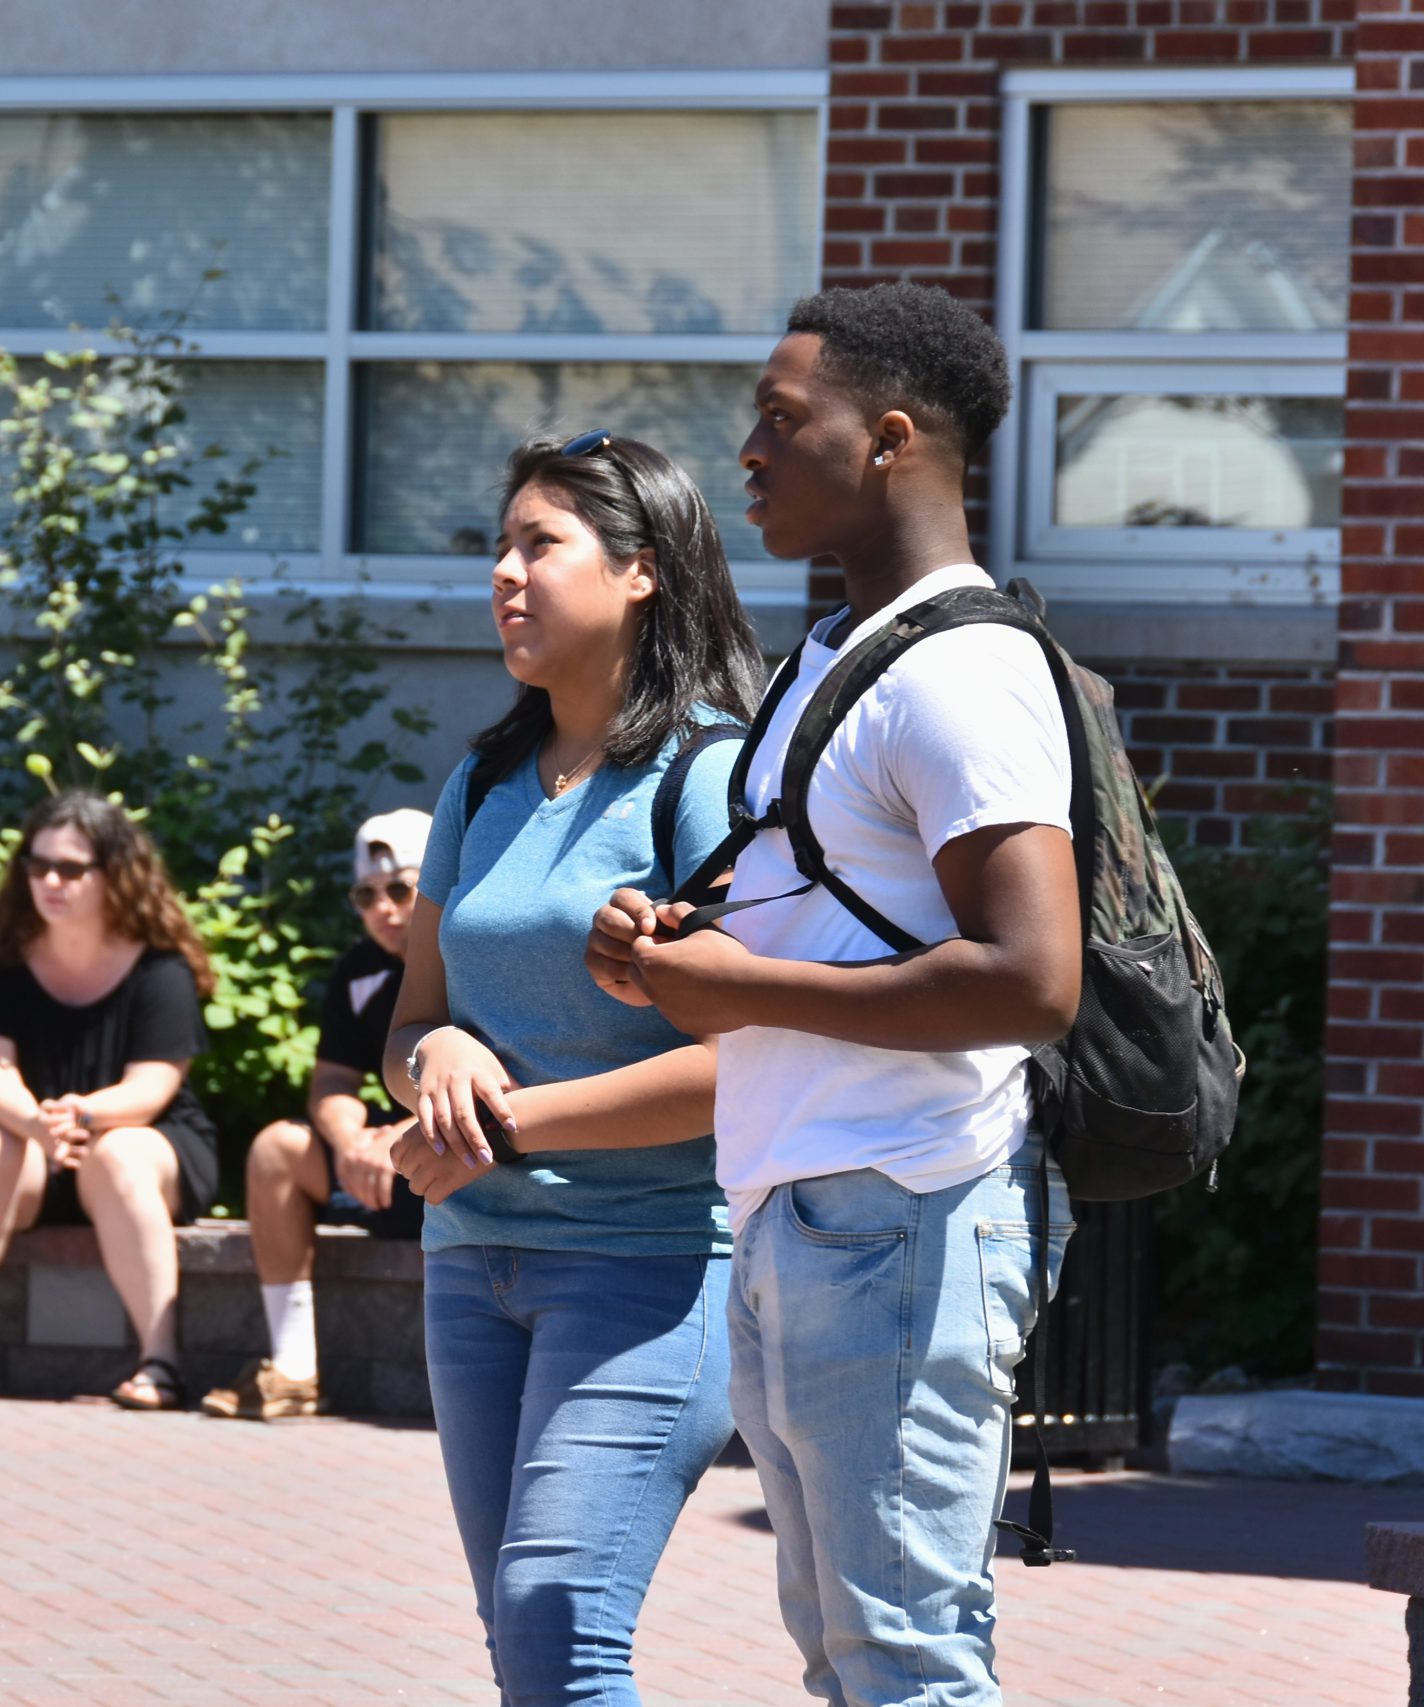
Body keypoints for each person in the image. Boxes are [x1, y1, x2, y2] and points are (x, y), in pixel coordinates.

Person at [586, 282, 1079, 1705]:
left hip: (906, 1206)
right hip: (802, 1199)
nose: (747, 451)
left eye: (784, 420)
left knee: (905, 1659)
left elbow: (1031, 978)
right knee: (850, 1658)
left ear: (894, 440)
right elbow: (813, 924)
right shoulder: (823, 663)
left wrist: (747, 982)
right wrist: (674, 943)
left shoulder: (966, 672)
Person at [379, 430, 766, 1704]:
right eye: (499, 546)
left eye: (539, 544)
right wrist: (429, 1054)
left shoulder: (706, 777)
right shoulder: (483, 781)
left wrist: (508, 1122)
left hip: (649, 1269)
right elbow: (412, 1026)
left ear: (640, 570)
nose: (504, 572)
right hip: (469, 1266)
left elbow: (748, 1062)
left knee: (557, 1624)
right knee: (525, 1647)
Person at [0, 792, 222, 1410]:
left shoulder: (160, 970)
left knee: (118, 1153)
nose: (50, 880)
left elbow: (151, 1089)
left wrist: (80, 1116)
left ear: (114, 874)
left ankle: (160, 1362)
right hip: (28, 1142)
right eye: (37, 865)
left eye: (71, 869)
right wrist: (36, 1124)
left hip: (145, 1143)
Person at [201, 808, 432, 1422]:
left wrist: (404, 1134)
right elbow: (332, 1080)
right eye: (366, 895)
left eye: (401, 890)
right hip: (375, 1171)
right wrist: (353, 1139)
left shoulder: (472, 956)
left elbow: (506, 1082)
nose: (383, 908)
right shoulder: (358, 969)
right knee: (277, 1148)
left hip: (452, 1160)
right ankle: (294, 1367)